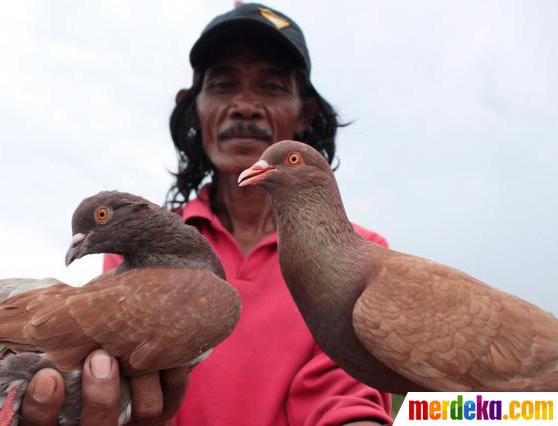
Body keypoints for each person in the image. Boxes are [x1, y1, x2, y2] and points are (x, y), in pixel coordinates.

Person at [19, 3, 394, 425]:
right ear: (193, 106)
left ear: (304, 112)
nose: (245, 106)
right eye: (223, 85)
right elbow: (126, 387)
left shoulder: (362, 253)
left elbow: (346, 400)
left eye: (270, 86)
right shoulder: (139, 245)